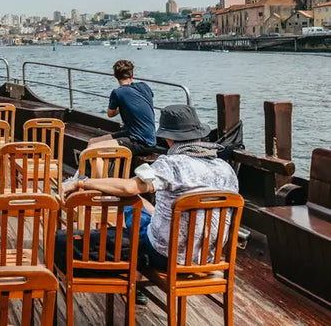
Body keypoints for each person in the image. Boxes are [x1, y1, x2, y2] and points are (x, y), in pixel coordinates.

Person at [56, 105, 239, 277]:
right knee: (143, 205)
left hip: (165, 256)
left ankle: (114, 265)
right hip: (205, 258)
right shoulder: (226, 169)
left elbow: (128, 187)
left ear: (169, 139)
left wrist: (83, 182)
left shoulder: (171, 164)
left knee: (127, 203)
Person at [107, 60, 157, 157]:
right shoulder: (145, 86)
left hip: (140, 142)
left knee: (94, 149)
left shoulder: (117, 93)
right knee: (93, 141)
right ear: (132, 75)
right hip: (148, 138)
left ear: (115, 76)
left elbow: (110, 114)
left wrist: (121, 106)